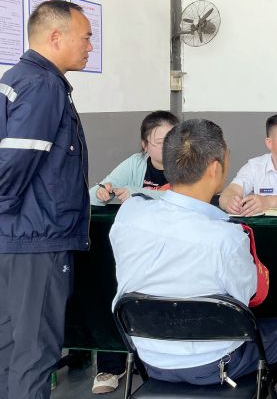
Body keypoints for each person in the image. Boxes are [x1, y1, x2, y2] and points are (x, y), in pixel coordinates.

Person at [110, 119, 277, 398]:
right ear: (216, 168)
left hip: (148, 357)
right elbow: (248, 297)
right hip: (214, 362)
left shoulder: (130, 213)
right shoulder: (226, 237)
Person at [0, 0, 92, 399]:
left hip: (15, 239)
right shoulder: (43, 85)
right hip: (36, 243)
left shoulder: (17, 78)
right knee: (34, 354)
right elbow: (13, 163)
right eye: (86, 37)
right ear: (56, 37)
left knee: (10, 352)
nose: (90, 46)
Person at [87, 110, 179, 394]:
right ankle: (111, 364)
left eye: (173, 140)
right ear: (144, 144)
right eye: (159, 142)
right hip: (136, 249)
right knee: (110, 290)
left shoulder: (186, 163)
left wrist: (139, 192)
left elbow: (188, 196)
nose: (168, 147)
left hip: (173, 250)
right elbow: (93, 195)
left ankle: (162, 363)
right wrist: (104, 192)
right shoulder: (135, 163)